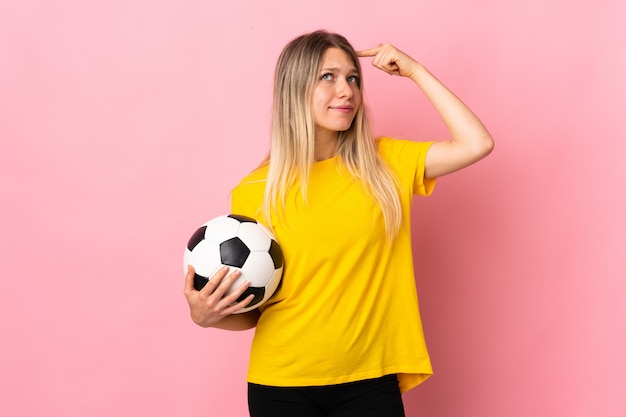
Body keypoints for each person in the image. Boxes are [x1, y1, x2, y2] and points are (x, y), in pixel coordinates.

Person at [183, 30, 493, 417]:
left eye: (353, 78)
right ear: (295, 88)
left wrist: (415, 71)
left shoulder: (384, 164)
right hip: (280, 384)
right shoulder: (254, 191)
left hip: (368, 383)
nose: (346, 90)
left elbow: (476, 143)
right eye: (327, 77)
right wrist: (207, 316)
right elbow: (256, 307)